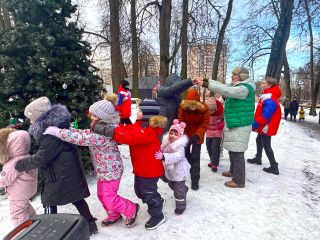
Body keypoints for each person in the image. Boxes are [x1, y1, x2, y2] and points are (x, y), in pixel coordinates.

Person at [44, 94, 139, 228]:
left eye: (95, 116)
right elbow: (86, 133)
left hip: (111, 171)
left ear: (104, 117)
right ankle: (114, 215)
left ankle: (131, 209)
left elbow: (83, 139)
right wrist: (69, 130)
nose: (92, 118)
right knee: (102, 195)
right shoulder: (100, 127)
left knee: (109, 198)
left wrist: (59, 132)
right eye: (92, 115)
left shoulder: (105, 132)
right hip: (103, 170)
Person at [15, 97, 98, 235]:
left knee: (49, 200)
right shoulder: (58, 125)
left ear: (39, 116)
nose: (30, 121)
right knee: (76, 198)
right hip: (67, 171)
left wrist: (20, 164)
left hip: (60, 174)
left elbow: (42, 158)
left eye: (31, 118)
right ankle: (90, 224)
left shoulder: (50, 134)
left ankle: (50, 227)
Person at [93, 99, 167, 230]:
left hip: (149, 171)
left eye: (140, 111)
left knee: (148, 193)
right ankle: (157, 200)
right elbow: (126, 128)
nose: (137, 113)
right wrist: (114, 125)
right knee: (139, 192)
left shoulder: (148, 131)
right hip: (141, 169)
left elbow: (128, 137)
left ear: (147, 115)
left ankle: (158, 214)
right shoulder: (140, 126)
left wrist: (107, 130)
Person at [196, 66, 256, 188]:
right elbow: (225, 87)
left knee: (237, 151)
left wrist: (206, 84)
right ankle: (233, 171)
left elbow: (225, 90)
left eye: (235, 74)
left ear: (242, 76)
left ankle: (239, 180)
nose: (232, 76)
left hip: (240, 124)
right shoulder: (239, 86)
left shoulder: (244, 89)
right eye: (232, 74)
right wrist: (206, 81)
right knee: (233, 149)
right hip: (235, 122)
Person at [0, 128, 37, 227]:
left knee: (18, 215)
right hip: (26, 191)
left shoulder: (12, 164)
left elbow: (3, 181)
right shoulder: (28, 156)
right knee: (25, 209)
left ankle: (22, 233)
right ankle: (35, 222)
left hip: (18, 194)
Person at [247, 77, 281, 175]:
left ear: (269, 85)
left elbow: (265, 115)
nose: (261, 85)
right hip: (264, 125)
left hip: (267, 126)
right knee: (259, 140)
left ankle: (274, 167)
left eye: (263, 83)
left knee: (267, 145)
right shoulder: (266, 95)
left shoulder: (270, 98)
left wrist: (253, 124)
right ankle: (258, 158)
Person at [155, 119, 189, 215]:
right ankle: (184, 189)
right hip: (171, 172)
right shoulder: (166, 142)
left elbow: (177, 156)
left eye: (175, 134)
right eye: (171, 133)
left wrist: (164, 156)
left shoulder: (180, 146)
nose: (172, 136)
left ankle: (181, 206)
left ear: (180, 136)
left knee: (178, 191)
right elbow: (161, 148)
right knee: (171, 185)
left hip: (180, 171)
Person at [178, 89, 209, 190]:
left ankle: (195, 179)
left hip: (197, 134)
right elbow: (180, 120)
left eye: (193, 105)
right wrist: (181, 131)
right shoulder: (183, 108)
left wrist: (198, 135)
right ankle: (193, 167)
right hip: (186, 132)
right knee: (185, 154)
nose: (191, 107)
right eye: (189, 105)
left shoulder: (204, 109)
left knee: (196, 156)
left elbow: (204, 124)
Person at [205, 97, 224, 172]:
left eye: (212, 110)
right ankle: (212, 160)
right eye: (209, 110)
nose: (210, 112)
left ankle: (215, 163)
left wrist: (222, 124)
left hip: (218, 132)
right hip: (209, 132)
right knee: (209, 146)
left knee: (215, 147)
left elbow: (224, 120)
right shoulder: (206, 113)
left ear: (215, 108)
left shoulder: (221, 112)